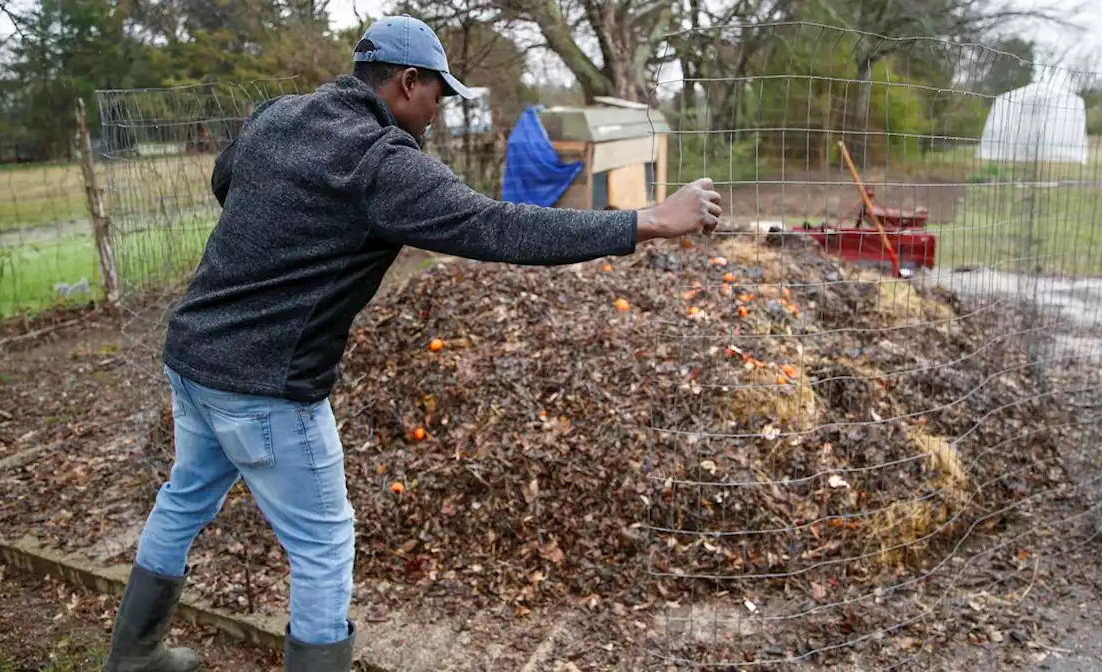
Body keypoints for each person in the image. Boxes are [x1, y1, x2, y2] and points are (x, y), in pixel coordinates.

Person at [102, 14, 722, 672]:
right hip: (267, 387)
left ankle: (133, 657)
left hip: (194, 354)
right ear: (406, 82)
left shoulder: (277, 115)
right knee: (322, 546)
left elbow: (227, 182)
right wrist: (647, 220)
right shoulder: (382, 162)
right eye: (438, 95)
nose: (437, 111)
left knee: (185, 495)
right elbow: (498, 228)